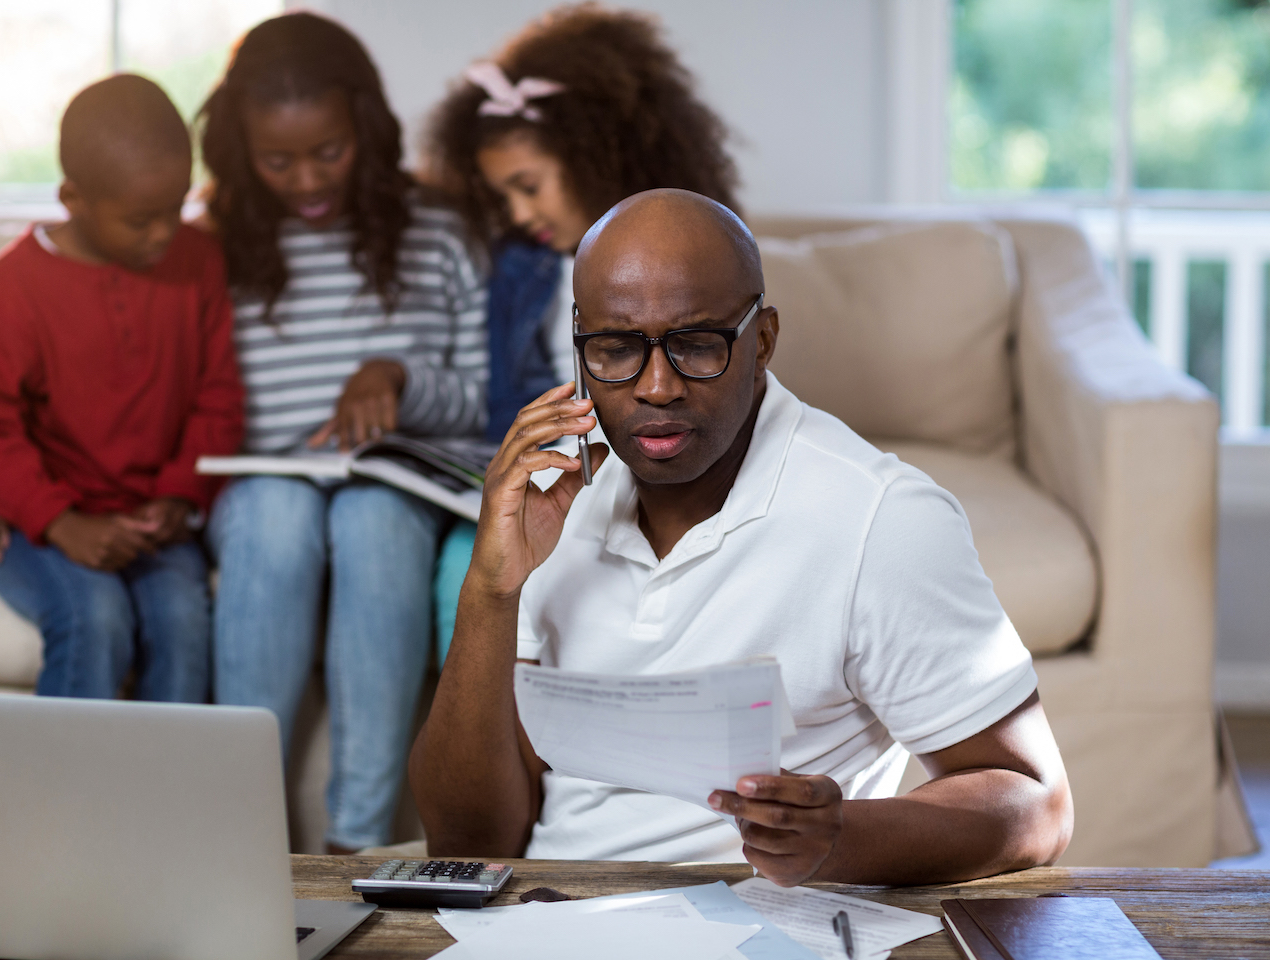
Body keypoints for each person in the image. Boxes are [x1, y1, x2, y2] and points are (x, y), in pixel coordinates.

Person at [409, 189, 1074, 886]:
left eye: (696, 344)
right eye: (616, 348)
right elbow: (467, 842)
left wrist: (840, 836)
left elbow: (1036, 801)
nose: (656, 386)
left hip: (764, 928)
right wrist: (491, 590)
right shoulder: (553, 500)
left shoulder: (881, 516)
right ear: (580, 344)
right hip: (550, 923)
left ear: (761, 341)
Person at [198, 12, 488, 853]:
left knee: (368, 519)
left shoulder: (441, 231)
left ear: (365, 124)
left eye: (329, 150)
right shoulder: (211, 243)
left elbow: (475, 402)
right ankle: (239, 836)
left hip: (390, 486)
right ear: (238, 148)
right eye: (276, 159)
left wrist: (396, 377)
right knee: (275, 516)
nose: (305, 179)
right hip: (264, 485)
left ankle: (355, 845)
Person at [422, 4, 738, 664]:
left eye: (528, 186)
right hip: (539, 473)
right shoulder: (523, 266)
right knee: (468, 565)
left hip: (629, 470)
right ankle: (497, 753)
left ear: (591, 155)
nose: (519, 212)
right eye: (502, 196)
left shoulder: (689, 266)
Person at [0, 74, 244, 703]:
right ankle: (64, 804)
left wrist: (179, 498)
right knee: (95, 617)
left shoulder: (199, 262)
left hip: (154, 518)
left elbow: (218, 399)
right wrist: (59, 522)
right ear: (72, 198)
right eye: (141, 220)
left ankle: (169, 799)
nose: (164, 234)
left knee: (183, 622)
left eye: (177, 208)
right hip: (46, 521)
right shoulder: (12, 290)